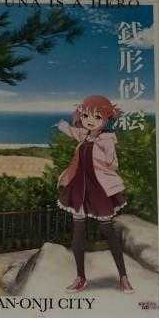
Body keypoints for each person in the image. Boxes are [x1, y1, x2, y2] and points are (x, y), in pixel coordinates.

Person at [55, 94, 133, 293]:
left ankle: (123, 277)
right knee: (78, 232)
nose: (90, 120)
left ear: (106, 119)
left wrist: (106, 152)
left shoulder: (106, 139)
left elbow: (113, 164)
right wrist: (62, 125)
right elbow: (73, 132)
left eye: (97, 117)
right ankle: (80, 278)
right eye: (86, 115)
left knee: (108, 231)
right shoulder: (84, 135)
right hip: (79, 187)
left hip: (98, 188)